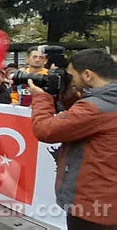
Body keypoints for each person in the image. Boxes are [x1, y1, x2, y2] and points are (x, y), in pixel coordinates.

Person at [29, 49, 117, 228]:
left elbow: (45, 130)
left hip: (93, 204)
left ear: (87, 75)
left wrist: (40, 98)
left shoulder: (95, 108)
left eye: (71, 76)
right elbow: (80, 120)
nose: (70, 81)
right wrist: (68, 95)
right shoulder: (108, 100)